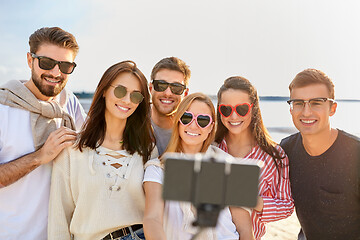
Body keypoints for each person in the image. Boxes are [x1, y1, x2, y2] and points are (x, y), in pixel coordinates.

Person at [48, 60, 156, 240]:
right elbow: (59, 220)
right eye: (120, 91)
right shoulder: (72, 150)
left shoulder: (147, 150)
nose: (127, 100)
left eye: (136, 96)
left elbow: (158, 213)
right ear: (104, 90)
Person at [0, 27, 86, 240]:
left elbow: (94, 146)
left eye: (65, 66)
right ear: (30, 60)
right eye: (47, 63)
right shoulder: (3, 109)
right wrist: (39, 157)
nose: (56, 73)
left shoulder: (70, 103)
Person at [143, 92, 255, 240]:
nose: (193, 125)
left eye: (202, 120)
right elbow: (152, 219)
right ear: (178, 121)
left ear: (211, 127)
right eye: (187, 118)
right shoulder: (157, 169)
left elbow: (245, 230)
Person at [280, 69, 360, 240]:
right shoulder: (286, 149)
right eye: (299, 103)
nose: (306, 112)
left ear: (332, 108)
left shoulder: (356, 154)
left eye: (316, 102)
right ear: (291, 109)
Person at [214, 76, 294, 240]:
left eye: (242, 109)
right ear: (219, 111)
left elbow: (286, 205)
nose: (234, 116)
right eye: (226, 109)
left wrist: (252, 200)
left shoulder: (275, 155)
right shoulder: (210, 147)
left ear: (254, 108)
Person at [149, 57, 190, 155]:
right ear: (151, 88)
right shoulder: (134, 121)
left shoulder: (193, 129)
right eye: (161, 85)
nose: (168, 93)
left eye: (176, 87)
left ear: (185, 93)